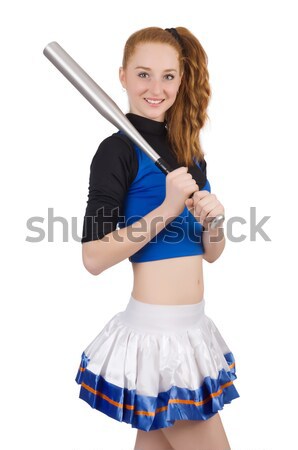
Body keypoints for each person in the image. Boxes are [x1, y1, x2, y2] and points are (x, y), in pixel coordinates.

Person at [76, 26, 240, 450]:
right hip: (158, 339)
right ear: (123, 76)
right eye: (143, 74)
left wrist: (214, 221)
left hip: (193, 330)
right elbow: (93, 258)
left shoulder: (189, 151)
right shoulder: (116, 151)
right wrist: (167, 208)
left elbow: (211, 255)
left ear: (181, 80)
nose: (156, 87)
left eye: (168, 75)